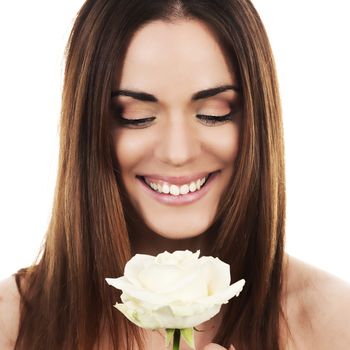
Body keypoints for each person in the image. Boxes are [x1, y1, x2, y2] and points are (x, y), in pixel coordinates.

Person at [0, 0, 349, 349]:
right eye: (136, 115)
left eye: (214, 113)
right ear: (89, 125)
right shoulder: (11, 322)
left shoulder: (334, 321)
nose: (177, 153)